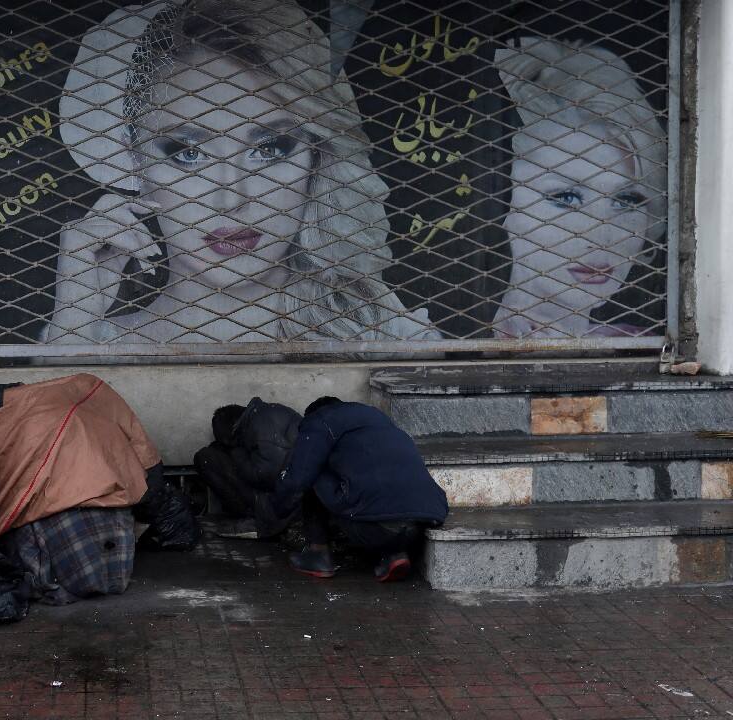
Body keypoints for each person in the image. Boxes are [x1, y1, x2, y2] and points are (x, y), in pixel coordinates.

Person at [47, 0, 439, 345]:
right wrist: (74, 331)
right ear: (133, 161)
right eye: (188, 153)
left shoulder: (388, 335)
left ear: (317, 158)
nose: (231, 198)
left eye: (268, 149)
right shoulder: (81, 343)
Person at [491, 38, 666, 339]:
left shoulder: (645, 347)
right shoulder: (425, 342)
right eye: (566, 198)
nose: (601, 238)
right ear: (501, 199)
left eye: (626, 200)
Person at [274, 396, 447, 582]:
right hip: (420, 524)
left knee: (311, 469)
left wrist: (273, 512)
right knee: (382, 500)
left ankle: (318, 553)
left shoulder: (320, 421)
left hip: (377, 527)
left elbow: (297, 479)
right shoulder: (377, 420)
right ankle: (394, 554)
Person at [193, 398, 300, 536]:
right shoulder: (265, 414)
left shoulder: (260, 427)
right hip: (294, 498)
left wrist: (236, 451)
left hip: (282, 505)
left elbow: (266, 475)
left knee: (205, 458)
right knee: (214, 451)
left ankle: (255, 518)